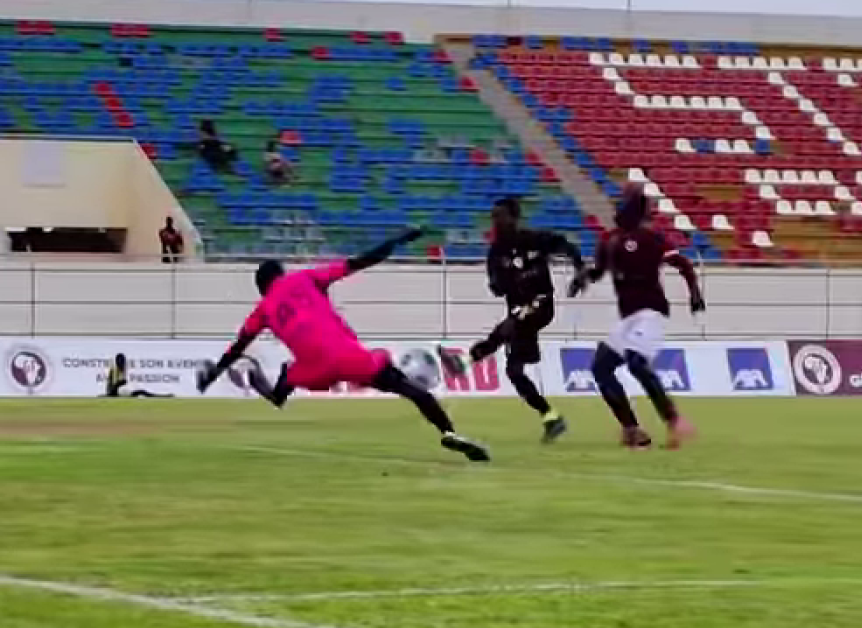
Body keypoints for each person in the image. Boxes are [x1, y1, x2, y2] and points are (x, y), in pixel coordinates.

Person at [195, 229, 489, 461]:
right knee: (411, 390)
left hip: (313, 371)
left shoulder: (263, 310)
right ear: (281, 274)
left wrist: (213, 373)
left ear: (261, 288)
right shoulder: (306, 278)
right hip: (349, 357)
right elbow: (359, 261)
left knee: (288, 376)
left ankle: (263, 385)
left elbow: (237, 346)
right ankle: (449, 431)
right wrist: (398, 239)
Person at [568, 187, 705, 449]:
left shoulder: (651, 239)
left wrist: (695, 294)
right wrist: (582, 278)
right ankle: (631, 429)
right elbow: (598, 271)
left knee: (636, 364)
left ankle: (674, 420)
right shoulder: (609, 240)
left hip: (651, 311)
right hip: (627, 318)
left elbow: (684, 265)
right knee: (601, 367)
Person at [442, 197, 583, 444]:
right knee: (514, 372)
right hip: (518, 310)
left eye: (500, 216)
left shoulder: (534, 240)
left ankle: (465, 361)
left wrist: (580, 270)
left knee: (509, 325)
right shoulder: (495, 252)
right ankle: (551, 417)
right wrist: (501, 281)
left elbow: (566, 246)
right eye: (493, 216)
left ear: (514, 218)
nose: (495, 221)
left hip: (541, 303)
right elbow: (497, 288)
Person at [103, 353, 170, 398]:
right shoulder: (114, 369)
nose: (123, 363)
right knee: (140, 392)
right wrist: (109, 392)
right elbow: (113, 384)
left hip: (121, 390)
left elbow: (123, 382)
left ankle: (161, 396)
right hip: (115, 390)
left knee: (141, 391)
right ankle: (161, 396)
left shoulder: (124, 368)